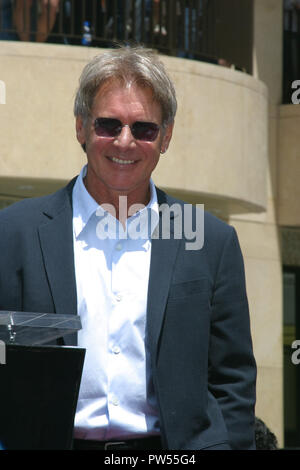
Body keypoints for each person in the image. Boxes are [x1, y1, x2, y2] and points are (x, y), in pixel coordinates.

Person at [0, 45, 256, 450]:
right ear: (81, 127)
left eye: (144, 128)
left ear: (166, 137)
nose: (124, 142)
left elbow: (233, 380)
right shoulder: (13, 232)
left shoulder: (209, 239)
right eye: (108, 125)